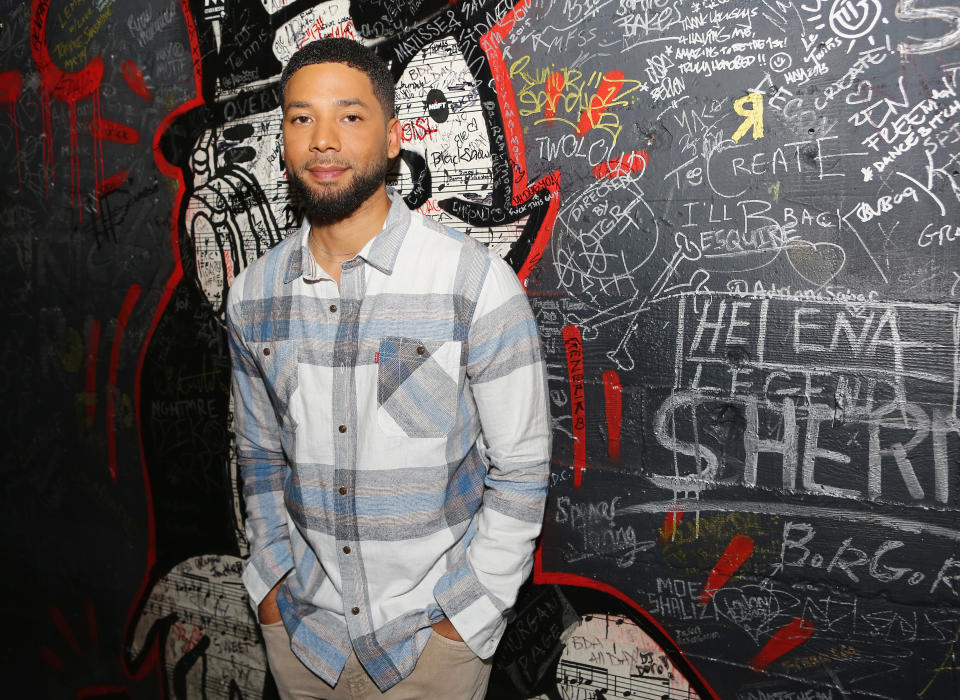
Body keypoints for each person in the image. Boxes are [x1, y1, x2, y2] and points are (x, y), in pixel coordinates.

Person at [226, 38, 551, 699]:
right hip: (301, 641)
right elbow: (257, 454)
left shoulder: (475, 286)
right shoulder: (252, 297)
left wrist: (467, 618)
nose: (323, 140)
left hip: (432, 648)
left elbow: (521, 468)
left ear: (393, 137)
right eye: (301, 118)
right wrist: (269, 585)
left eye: (350, 116)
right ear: (282, 139)